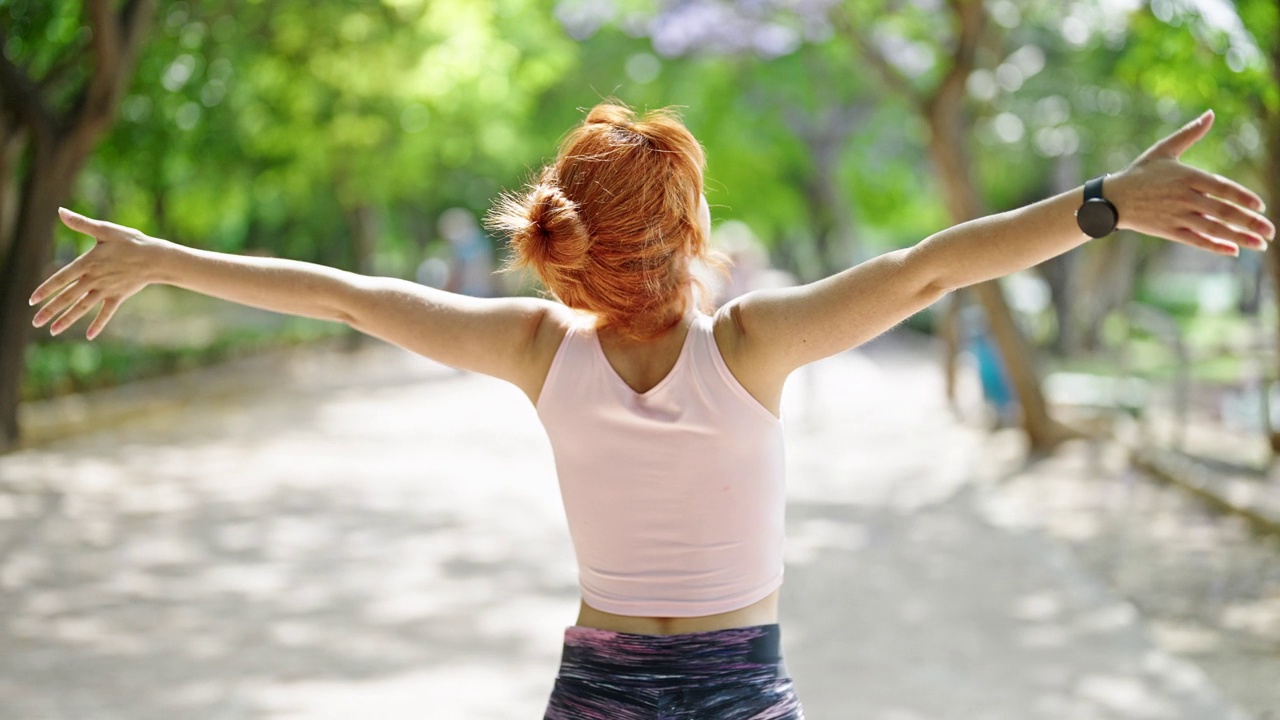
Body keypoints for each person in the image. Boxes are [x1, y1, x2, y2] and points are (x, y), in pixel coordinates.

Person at [28, 103, 1273, 718]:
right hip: (735, 682)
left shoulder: (533, 345)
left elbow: (352, 299)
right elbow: (930, 267)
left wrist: (165, 258)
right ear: (686, 232)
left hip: (604, 685)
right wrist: (1098, 201)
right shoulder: (752, 343)